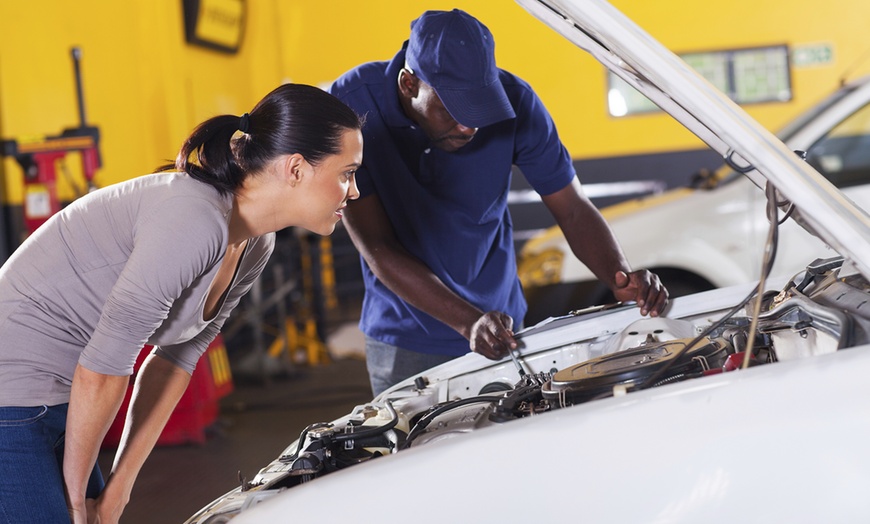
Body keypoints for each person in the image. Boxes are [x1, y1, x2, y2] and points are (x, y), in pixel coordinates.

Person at [0, 83, 363, 524]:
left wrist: (117, 492)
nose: (354, 190)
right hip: (15, 384)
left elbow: (175, 361)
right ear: (296, 169)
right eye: (346, 172)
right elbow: (103, 367)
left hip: (65, 387)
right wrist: (77, 501)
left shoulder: (254, 244)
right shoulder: (194, 217)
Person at [328, 9, 668, 397]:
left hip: (503, 326)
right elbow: (377, 246)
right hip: (405, 339)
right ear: (409, 84)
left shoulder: (518, 102)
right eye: (453, 110)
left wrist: (619, 277)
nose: (468, 126)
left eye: (479, 108)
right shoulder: (353, 104)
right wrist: (468, 321)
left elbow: (572, 208)